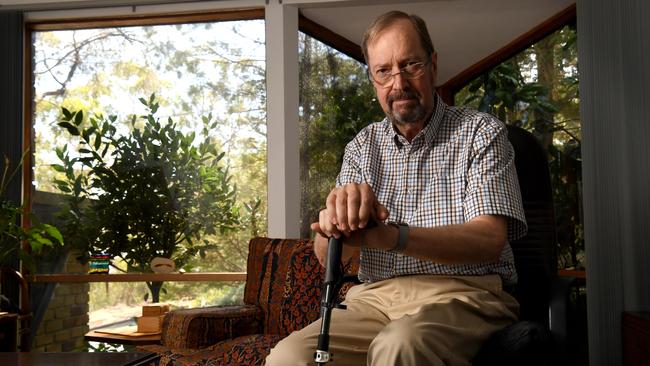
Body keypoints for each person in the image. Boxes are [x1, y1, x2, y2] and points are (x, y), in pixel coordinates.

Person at [266, 10, 527, 366]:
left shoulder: (481, 133)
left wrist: (392, 237)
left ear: (433, 65)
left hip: (466, 294)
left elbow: (489, 241)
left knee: (399, 345)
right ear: (372, 79)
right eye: (384, 71)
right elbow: (329, 255)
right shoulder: (362, 147)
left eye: (411, 65)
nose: (398, 82)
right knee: (289, 357)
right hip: (372, 300)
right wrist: (333, 227)